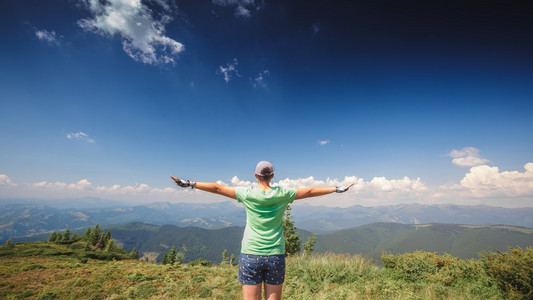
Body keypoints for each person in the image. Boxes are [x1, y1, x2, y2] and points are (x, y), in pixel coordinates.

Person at [171, 161, 353, 300]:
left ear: (255, 176)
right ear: (272, 176)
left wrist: (190, 183)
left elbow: (218, 188)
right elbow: (311, 191)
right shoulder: (283, 193)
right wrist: (336, 189)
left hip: (250, 254)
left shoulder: (247, 193)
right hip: (275, 255)